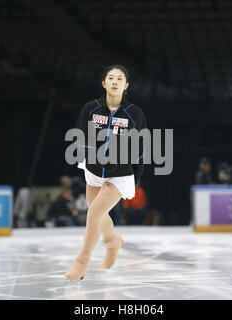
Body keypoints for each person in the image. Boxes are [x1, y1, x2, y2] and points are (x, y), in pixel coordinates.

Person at [65, 64, 147, 281]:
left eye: (120, 79)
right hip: (93, 170)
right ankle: (113, 242)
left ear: (126, 85)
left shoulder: (134, 114)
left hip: (119, 174)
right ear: (104, 83)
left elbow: (141, 147)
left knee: (92, 214)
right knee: (99, 216)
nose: (115, 81)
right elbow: (79, 136)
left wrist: (136, 175)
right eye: (110, 78)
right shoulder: (90, 109)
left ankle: (82, 261)